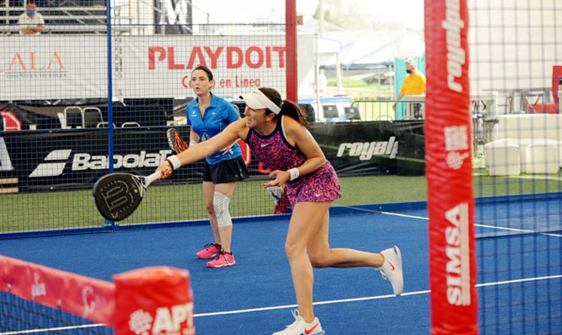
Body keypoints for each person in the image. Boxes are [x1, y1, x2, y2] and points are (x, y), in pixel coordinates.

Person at [157, 87, 404, 334]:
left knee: (293, 247)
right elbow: (207, 147)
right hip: (297, 185)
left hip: (318, 180)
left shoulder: (290, 127)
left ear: (270, 114)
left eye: (254, 108)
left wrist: (289, 174)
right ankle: (384, 260)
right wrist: (173, 162)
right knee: (319, 257)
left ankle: (309, 323)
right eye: (247, 106)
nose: (247, 111)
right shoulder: (243, 127)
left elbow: (318, 159)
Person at [186, 65, 249, 268]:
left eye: (202, 79)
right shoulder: (191, 108)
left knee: (221, 207)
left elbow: (242, 127)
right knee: (210, 206)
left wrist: (230, 142)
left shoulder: (224, 106)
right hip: (209, 160)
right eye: (194, 79)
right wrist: (193, 148)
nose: (197, 82)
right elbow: (193, 130)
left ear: (211, 83)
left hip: (228, 159)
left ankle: (228, 254)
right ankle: (218, 244)